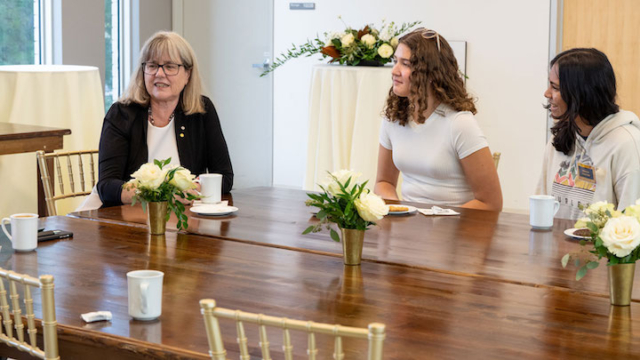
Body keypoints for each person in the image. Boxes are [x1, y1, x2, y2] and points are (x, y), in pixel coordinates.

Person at [96, 31, 233, 208]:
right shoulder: (121, 113)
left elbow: (224, 177)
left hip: (188, 219)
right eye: (152, 66)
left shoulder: (202, 111)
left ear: (187, 74)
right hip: (130, 220)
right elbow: (107, 187)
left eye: (170, 67)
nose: (160, 74)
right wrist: (164, 194)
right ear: (143, 71)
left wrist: (193, 189)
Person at [374, 28, 502, 211]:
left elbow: (491, 203)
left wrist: (441, 223)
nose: (394, 71)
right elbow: (383, 182)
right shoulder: (393, 118)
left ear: (430, 73)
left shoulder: (460, 124)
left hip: (455, 230)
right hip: (409, 226)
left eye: (405, 64)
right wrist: (397, 210)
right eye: (395, 61)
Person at [536, 48, 640, 220]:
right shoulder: (560, 136)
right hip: (555, 246)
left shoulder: (627, 143)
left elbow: (632, 226)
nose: (547, 94)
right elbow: (541, 207)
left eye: (555, 87)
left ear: (582, 95)